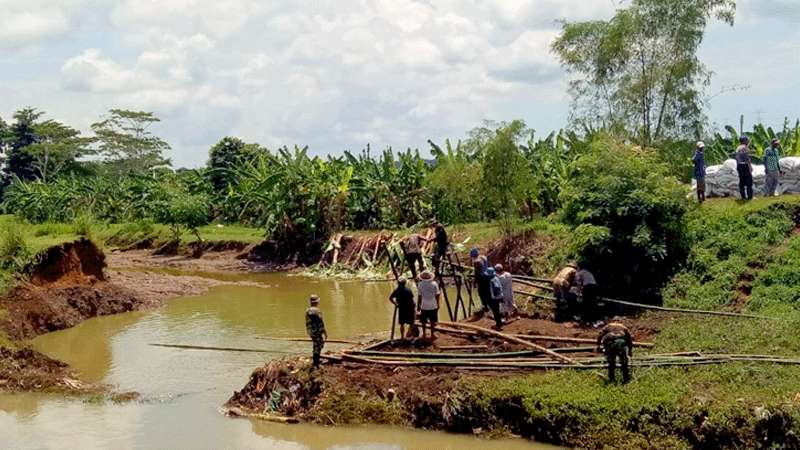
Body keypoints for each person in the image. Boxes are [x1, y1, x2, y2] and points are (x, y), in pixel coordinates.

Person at [597, 319, 633, 384]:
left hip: (610, 343)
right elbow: (629, 340)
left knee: (611, 362)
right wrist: (630, 351)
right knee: (624, 362)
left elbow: (600, 335)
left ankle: (612, 379)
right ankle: (626, 379)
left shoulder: (608, 326)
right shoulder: (624, 327)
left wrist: (598, 345)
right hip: (621, 343)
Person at [416, 270, 441, 339]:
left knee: (423, 321)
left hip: (424, 306)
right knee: (432, 321)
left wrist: (419, 305)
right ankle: (432, 334)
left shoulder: (420, 284)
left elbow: (420, 296)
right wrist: (438, 303)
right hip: (433, 305)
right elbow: (437, 295)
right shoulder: (434, 284)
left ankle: (424, 334)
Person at [305, 294, 327, 368]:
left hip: (311, 332)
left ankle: (316, 361)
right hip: (317, 331)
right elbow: (321, 323)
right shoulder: (317, 311)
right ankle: (316, 364)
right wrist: (325, 332)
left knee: (316, 345)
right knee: (318, 346)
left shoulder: (308, 310)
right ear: (317, 301)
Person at [470, 247, 491, 314]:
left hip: (482, 278)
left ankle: (485, 306)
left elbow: (477, 273)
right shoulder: (484, 257)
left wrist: (475, 282)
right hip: (487, 276)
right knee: (488, 291)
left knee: (481, 293)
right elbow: (487, 266)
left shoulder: (476, 261)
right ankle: (489, 305)